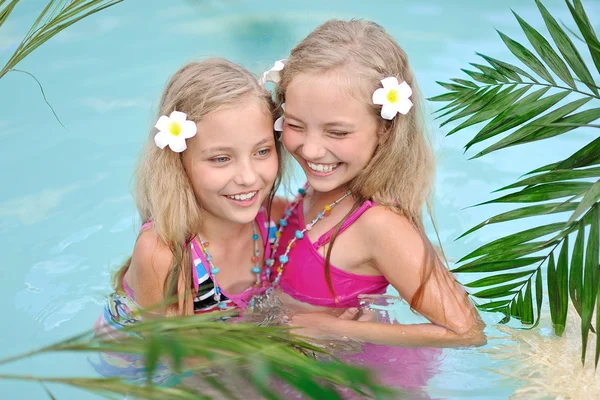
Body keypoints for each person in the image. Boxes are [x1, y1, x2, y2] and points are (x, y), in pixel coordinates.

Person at [263, 19, 485, 349]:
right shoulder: (321, 191)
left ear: (385, 129)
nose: (310, 149)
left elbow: (467, 332)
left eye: (337, 132)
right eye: (295, 125)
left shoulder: (380, 224)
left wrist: (330, 328)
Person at [96, 58, 283, 334]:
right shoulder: (165, 254)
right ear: (178, 161)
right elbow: (178, 364)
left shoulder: (276, 219)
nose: (248, 177)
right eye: (221, 159)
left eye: (262, 151)